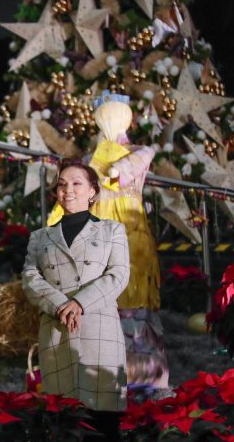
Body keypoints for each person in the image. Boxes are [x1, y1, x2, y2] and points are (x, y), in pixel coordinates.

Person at [47, 91, 168, 389]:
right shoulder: (90, 160)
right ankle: (103, 371)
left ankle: (142, 371)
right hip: (98, 232)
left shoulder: (140, 152)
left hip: (130, 231)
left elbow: (123, 170)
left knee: (133, 290)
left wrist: (111, 168)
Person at [23, 158, 130, 442]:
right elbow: (30, 279)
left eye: (77, 183)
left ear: (93, 191)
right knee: (65, 428)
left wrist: (80, 302)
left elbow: (118, 275)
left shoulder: (111, 230)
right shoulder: (40, 237)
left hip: (99, 331)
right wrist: (60, 304)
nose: (67, 190)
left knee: (103, 427)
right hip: (57, 333)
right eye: (62, 184)